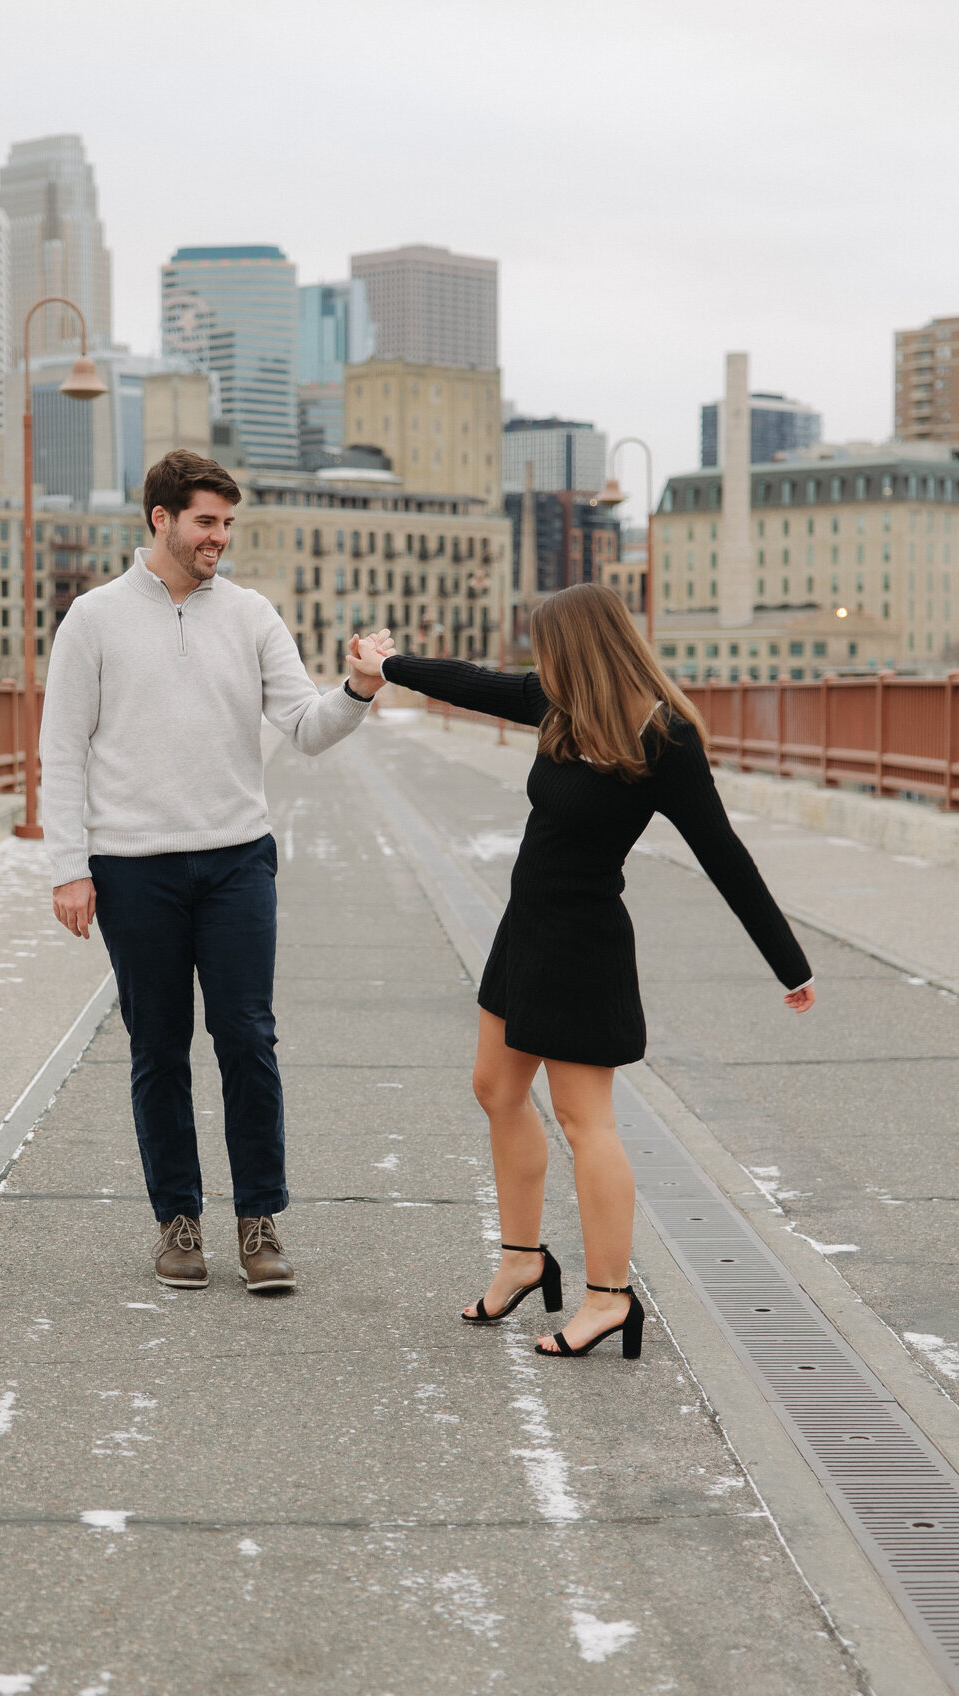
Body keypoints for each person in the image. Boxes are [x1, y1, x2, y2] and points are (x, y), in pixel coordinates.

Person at [349, 584, 815, 1360]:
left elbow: (722, 853)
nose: (538, 665)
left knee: (581, 1118)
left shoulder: (660, 738)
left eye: (548, 649)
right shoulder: (560, 708)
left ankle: (609, 1297)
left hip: (584, 945)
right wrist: (390, 663)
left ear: (581, 649)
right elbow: (470, 682)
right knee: (496, 1089)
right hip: (524, 931)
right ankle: (524, 1259)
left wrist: (787, 962)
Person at [41, 449, 391, 1294]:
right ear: (160, 519)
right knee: (158, 1049)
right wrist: (69, 867)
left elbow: (305, 727)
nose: (219, 538)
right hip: (131, 869)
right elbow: (61, 752)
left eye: (228, 524)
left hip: (237, 858)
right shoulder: (92, 619)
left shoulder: (250, 614)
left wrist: (357, 687)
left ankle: (259, 1224)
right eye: (206, 521)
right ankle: (179, 1223)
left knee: (248, 1039)